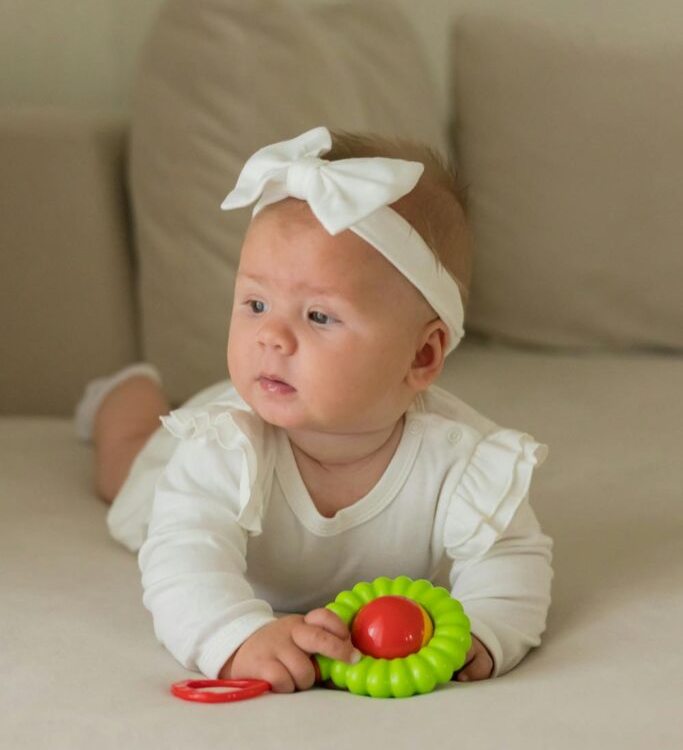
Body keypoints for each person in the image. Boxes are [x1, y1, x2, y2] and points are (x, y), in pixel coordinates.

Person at [75, 126, 553, 694]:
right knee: (123, 470)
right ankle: (123, 396)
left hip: (278, 401)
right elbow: (183, 555)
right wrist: (236, 635)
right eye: (255, 304)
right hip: (231, 421)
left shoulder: (462, 460)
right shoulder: (225, 449)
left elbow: (511, 555)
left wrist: (485, 630)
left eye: (320, 316)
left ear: (422, 355)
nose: (270, 337)